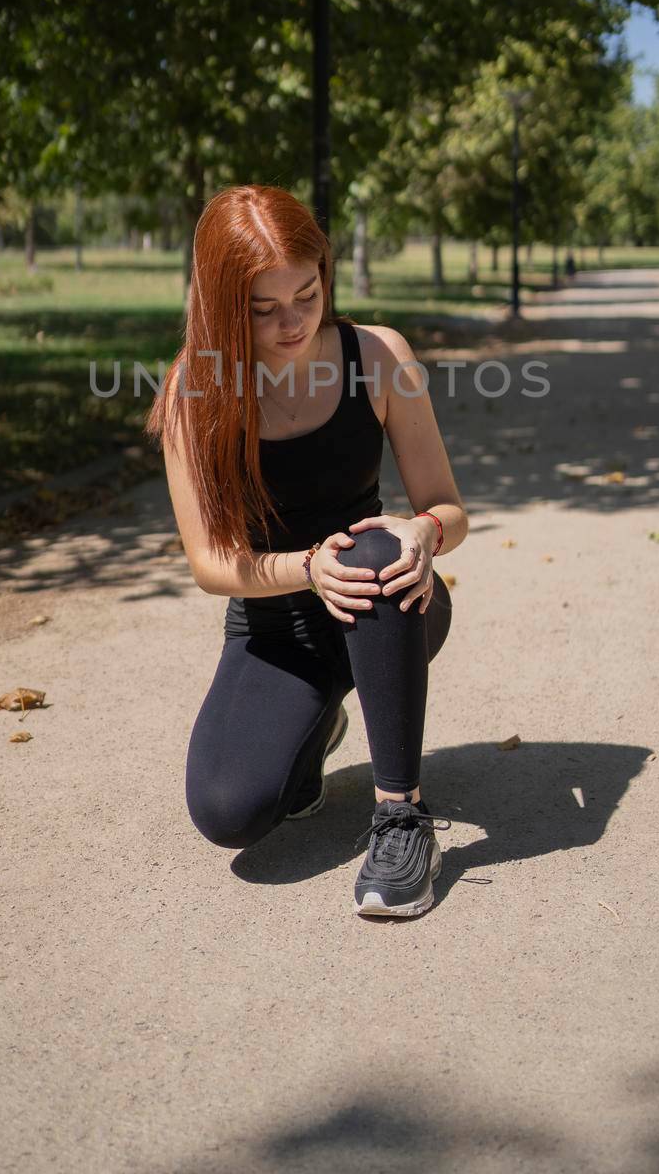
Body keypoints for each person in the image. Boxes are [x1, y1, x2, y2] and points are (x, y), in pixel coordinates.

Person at [145, 184, 468, 919]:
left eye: (307, 294)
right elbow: (208, 565)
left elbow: (446, 505)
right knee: (230, 813)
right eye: (264, 308)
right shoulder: (195, 391)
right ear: (225, 305)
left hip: (390, 601)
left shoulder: (379, 355)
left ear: (326, 273)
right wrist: (303, 569)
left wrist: (426, 531)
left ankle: (401, 817)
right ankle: (317, 722)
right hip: (275, 627)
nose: (292, 322)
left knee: (373, 549)